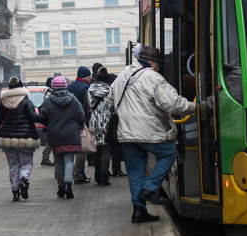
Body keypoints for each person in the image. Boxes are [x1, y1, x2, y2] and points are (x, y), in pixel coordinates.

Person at [110, 45, 209, 224]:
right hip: (147, 131)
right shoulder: (152, 77)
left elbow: (111, 100)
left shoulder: (122, 77)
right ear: (152, 62)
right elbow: (173, 104)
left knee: (135, 172)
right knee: (169, 153)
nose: (159, 67)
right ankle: (149, 189)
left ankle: (139, 212)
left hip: (125, 133)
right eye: (158, 63)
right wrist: (196, 107)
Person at [0, 77, 40, 201]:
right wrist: (46, 118)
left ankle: (15, 191)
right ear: (21, 87)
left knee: (13, 166)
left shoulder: (4, 102)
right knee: (26, 163)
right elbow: (33, 117)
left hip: (7, 138)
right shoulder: (26, 101)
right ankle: (24, 179)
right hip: (25, 138)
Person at [36, 76, 84, 199]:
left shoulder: (48, 101)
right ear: (65, 86)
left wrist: (50, 124)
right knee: (69, 160)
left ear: (52, 87)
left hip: (55, 135)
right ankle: (68, 184)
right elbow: (81, 116)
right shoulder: (73, 100)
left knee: (58, 161)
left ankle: (61, 186)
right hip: (71, 135)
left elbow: (42, 117)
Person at [86, 66, 114, 186]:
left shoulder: (90, 89)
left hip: (94, 121)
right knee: (106, 150)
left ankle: (97, 176)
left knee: (96, 150)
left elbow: (87, 106)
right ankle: (104, 177)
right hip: (107, 121)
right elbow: (113, 105)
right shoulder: (110, 89)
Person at [68, 66, 93, 184]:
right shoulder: (86, 88)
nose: (91, 77)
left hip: (68, 122)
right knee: (81, 150)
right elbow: (88, 105)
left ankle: (67, 175)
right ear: (85, 76)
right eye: (89, 75)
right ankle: (78, 174)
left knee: (69, 150)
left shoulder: (69, 87)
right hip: (81, 121)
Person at [39, 76, 55, 167]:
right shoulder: (49, 94)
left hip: (49, 121)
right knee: (51, 141)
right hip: (50, 121)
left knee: (50, 141)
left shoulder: (48, 92)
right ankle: (45, 158)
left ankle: (45, 158)